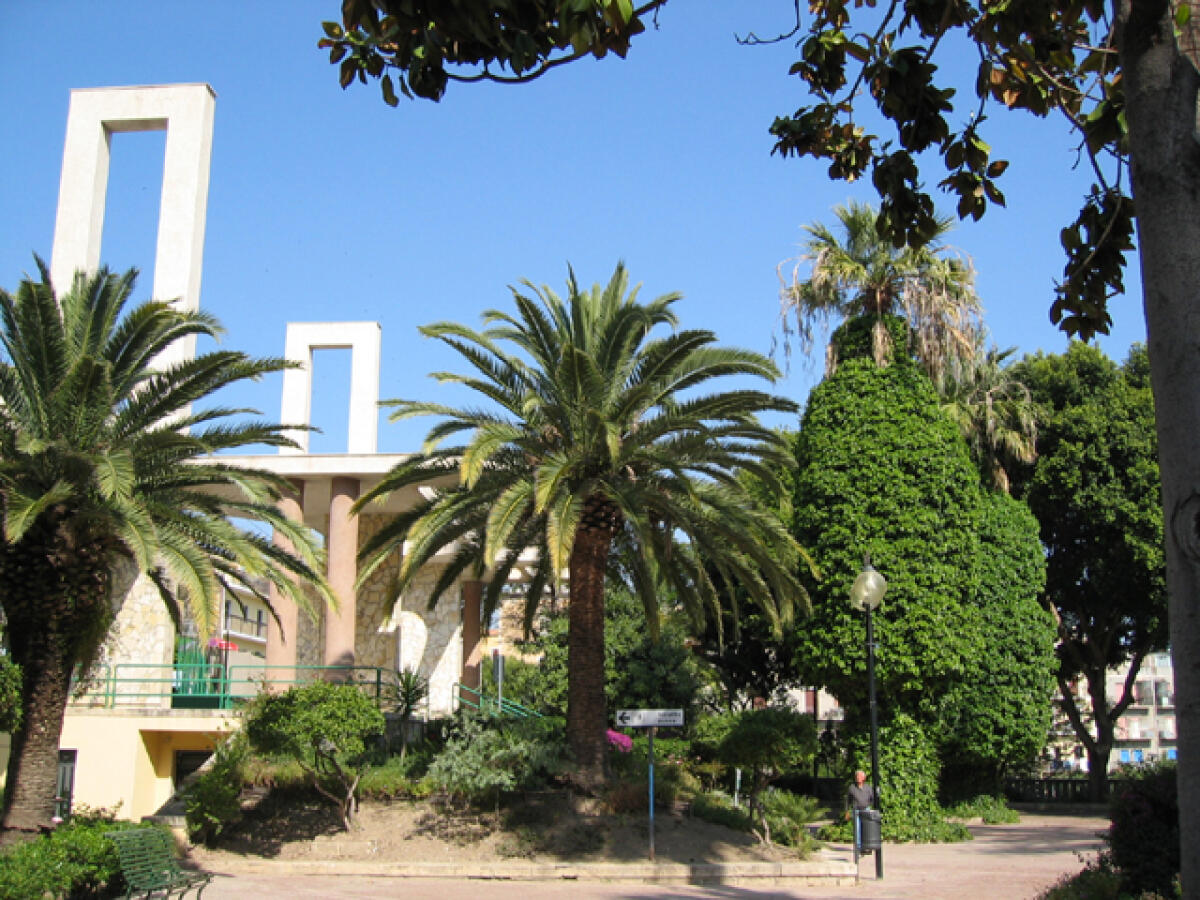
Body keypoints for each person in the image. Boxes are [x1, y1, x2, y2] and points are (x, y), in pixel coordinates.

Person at [845, 769, 877, 852]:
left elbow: (872, 798)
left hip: (866, 810)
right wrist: (847, 811)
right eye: (857, 776)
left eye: (859, 776)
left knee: (866, 828)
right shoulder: (852, 788)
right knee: (857, 829)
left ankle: (866, 846)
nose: (858, 778)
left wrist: (870, 807)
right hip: (856, 811)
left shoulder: (868, 788)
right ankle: (858, 847)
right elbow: (847, 800)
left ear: (864, 778)